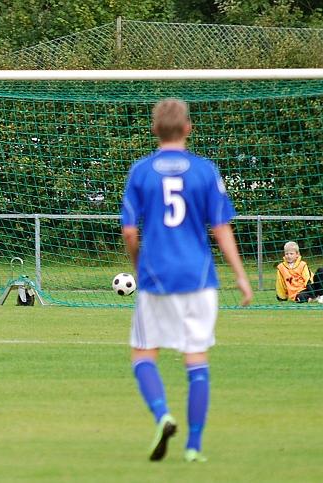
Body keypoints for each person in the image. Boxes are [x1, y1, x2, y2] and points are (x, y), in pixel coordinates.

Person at [120, 98, 253, 463]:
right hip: (200, 279)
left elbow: (130, 231)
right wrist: (241, 276)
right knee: (196, 360)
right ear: (188, 129)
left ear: (154, 130)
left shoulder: (141, 171)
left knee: (143, 355)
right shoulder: (205, 171)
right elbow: (222, 228)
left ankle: (163, 414)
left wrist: (138, 264)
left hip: (157, 278)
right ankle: (193, 447)